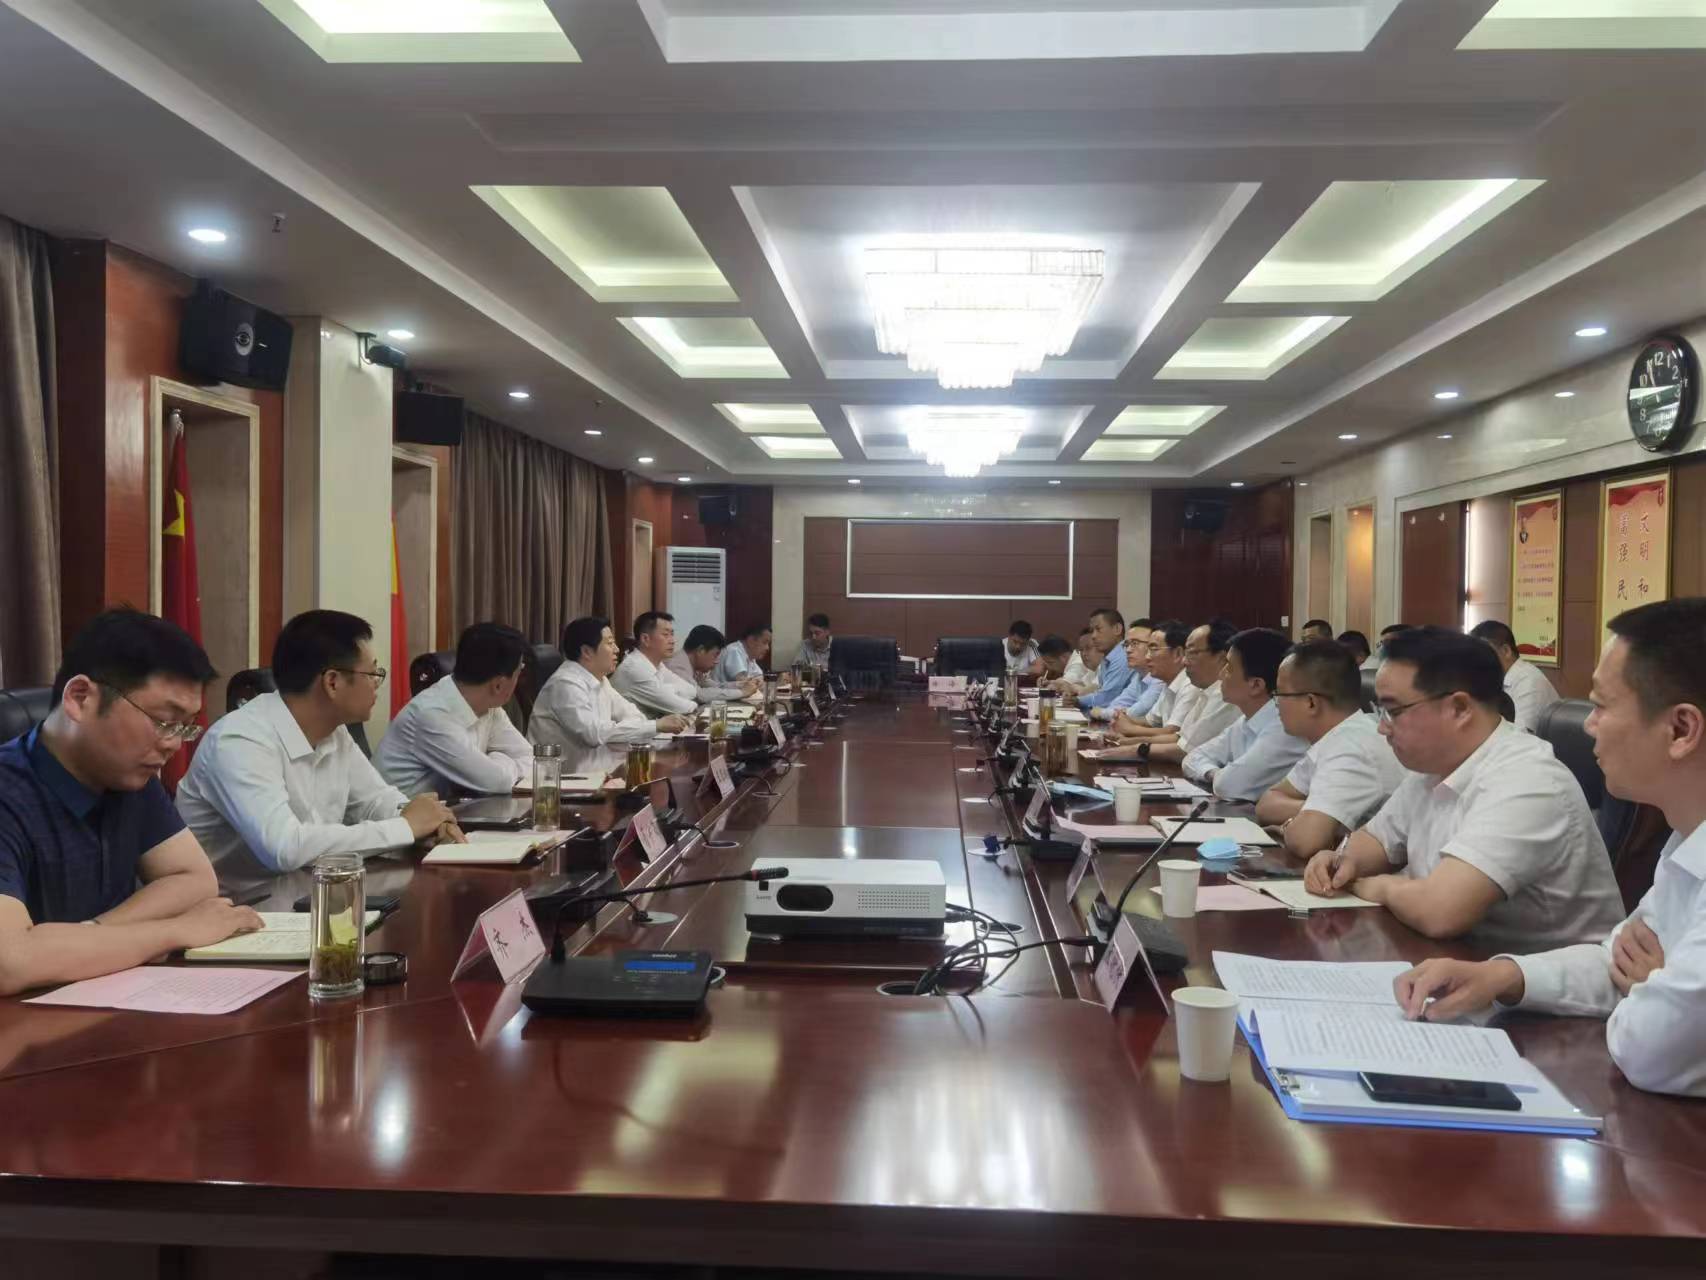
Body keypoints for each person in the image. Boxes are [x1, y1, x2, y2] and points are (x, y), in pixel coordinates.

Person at [1394, 599, 1706, 1097]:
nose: (1588, 725)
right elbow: (1616, 961)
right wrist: (1502, 976)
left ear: (1681, 730)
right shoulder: (1684, 840)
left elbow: (1652, 1052)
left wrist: (1651, 991)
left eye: (1602, 706)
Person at [1303, 626, 1622, 947]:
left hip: (1533, 973)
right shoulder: (1434, 766)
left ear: (1459, 708)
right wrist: (1342, 860)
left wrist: (1375, 886)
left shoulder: (1528, 780)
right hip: (1460, 959)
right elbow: (1377, 840)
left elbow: (1439, 910)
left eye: (1393, 712)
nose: (1382, 728)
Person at [0, 610, 261, 997]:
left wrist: (94, 935)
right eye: (163, 720)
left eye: (184, 726)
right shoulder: (9, 792)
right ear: (80, 698)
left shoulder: (130, 775)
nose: (174, 744)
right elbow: (10, 961)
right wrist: (173, 931)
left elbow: (194, 879)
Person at [177, 611, 462, 884]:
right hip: (236, 906)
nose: (378, 685)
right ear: (332, 682)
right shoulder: (240, 741)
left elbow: (374, 800)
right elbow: (285, 848)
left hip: (306, 894)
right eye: (372, 674)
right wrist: (406, 827)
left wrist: (429, 823)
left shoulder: (334, 732)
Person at [1256, 640, 1404, 860]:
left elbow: (1307, 840)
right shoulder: (1334, 738)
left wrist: (1299, 821)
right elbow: (1266, 804)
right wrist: (1315, 810)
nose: (1275, 703)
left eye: (1280, 695)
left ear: (1311, 703)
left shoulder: (1353, 747)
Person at [373, 623, 533, 798]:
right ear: (498, 685)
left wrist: (495, 764)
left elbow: (533, 760)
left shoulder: (490, 708)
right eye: (519, 671)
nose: (519, 678)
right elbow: (496, 782)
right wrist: (500, 760)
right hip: (398, 812)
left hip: (447, 810)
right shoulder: (431, 715)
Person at [530, 616, 692, 774]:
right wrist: (656, 726)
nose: (617, 649)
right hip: (560, 781)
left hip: (600, 772)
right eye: (609, 643)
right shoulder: (565, 684)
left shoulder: (600, 680)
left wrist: (641, 729)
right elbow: (594, 734)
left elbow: (634, 715)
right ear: (586, 651)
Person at [1180, 628, 1309, 802]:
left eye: (1229, 668)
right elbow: (1192, 758)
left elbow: (1229, 786)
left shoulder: (1284, 728)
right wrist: (1215, 773)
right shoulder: (1246, 720)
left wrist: (1220, 775)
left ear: (1256, 685)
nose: (1221, 675)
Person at [1469, 619, 1561, 733]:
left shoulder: (1529, 681)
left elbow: (1521, 736)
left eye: (1483, 654)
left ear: (1506, 651)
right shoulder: (1493, 679)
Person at [613, 611, 698, 718]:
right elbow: (683, 708)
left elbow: (691, 691)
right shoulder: (635, 668)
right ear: (645, 639)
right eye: (665, 635)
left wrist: (665, 690)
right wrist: (666, 693)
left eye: (672, 634)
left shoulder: (657, 664)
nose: (672, 641)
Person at [1087, 621, 1163, 724]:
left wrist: (1101, 713)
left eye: (1135, 643)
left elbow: (1136, 712)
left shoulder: (1160, 678)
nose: (1128, 650)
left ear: (1153, 647)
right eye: (1126, 644)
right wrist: (1108, 713)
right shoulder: (1138, 676)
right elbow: (1118, 704)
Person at [666, 625, 761, 703]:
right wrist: (742, 692)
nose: (716, 661)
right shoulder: (678, 666)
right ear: (701, 650)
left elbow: (715, 686)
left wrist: (740, 685)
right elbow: (699, 695)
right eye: (715, 655)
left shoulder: (695, 666)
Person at [1076, 609, 1138, 712]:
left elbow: (1106, 699)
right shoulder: (1108, 658)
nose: (1093, 636)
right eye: (1092, 631)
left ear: (1117, 629)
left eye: (1098, 629)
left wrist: (1076, 701)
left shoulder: (1123, 656)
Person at [1056, 628, 1102, 695]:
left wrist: (1075, 688)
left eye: (1088, 648)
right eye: (1081, 649)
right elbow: (1082, 684)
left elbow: (1092, 690)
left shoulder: (1108, 667)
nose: (1084, 654)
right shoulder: (1092, 671)